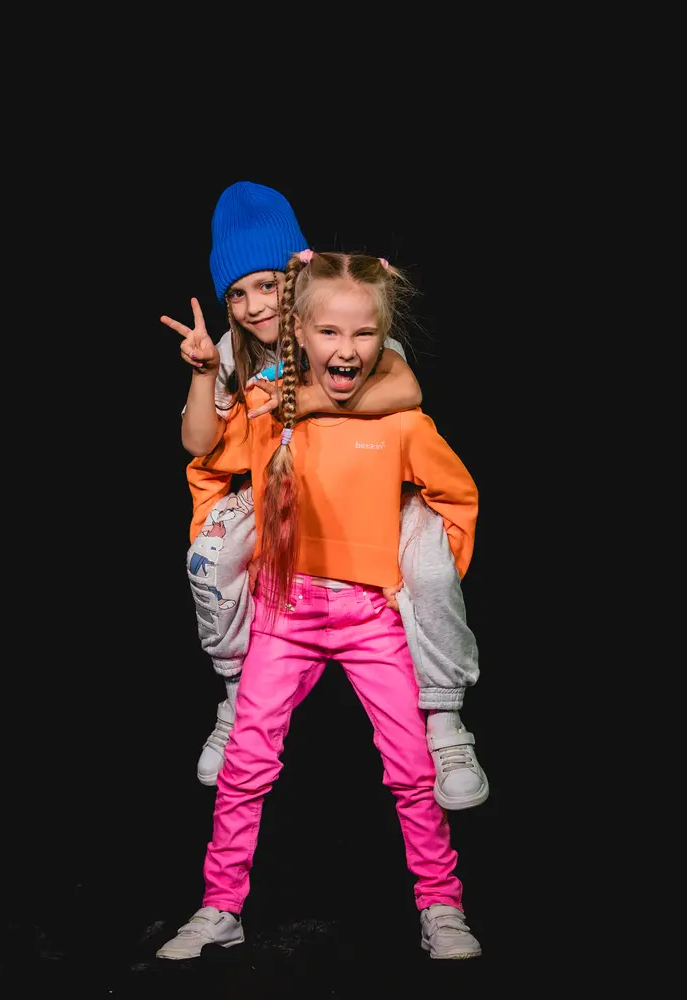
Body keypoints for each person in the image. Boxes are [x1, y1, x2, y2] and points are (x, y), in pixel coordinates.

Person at [157, 251, 482, 961]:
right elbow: (204, 457)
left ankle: (442, 906)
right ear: (297, 334)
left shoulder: (401, 422)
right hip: (285, 615)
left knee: (412, 768)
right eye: (329, 332)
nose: (347, 348)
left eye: (364, 334)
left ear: (383, 339)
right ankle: (220, 908)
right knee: (245, 765)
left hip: (372, 620)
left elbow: (457, 498)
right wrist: (205, 377)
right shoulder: (266, 411)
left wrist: (425, 584)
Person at [166, 181, 487, 809]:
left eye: (267, 285)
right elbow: (198, 444)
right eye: (237, 293)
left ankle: (446, 721)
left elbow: (407, 390)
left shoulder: (345, 321)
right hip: (275, 486)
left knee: (428, 565)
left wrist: (303, 401)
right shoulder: (229, 349)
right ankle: (235, 698)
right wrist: (205, 375)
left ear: (297, 276)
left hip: (363, 491)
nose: (254, 306)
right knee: (210, 556)